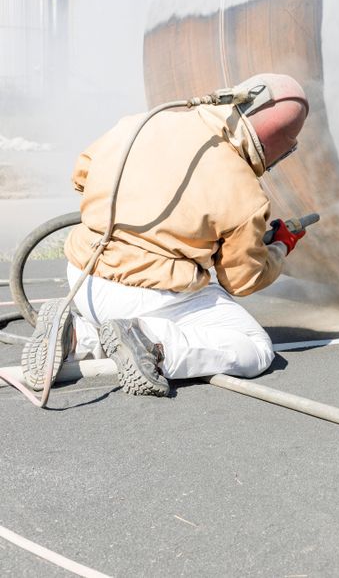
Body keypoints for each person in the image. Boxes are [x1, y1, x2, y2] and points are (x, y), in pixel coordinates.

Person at [21, 73, 311, 397]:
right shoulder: (245, 192)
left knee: (116, 316)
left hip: (83, 280)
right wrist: (279, 250)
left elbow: (82, 175)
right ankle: (152, 341)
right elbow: (241, 280)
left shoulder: (140, 123)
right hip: (145, 298)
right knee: (254, 348)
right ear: (278, 146)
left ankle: (78, 334)